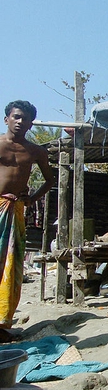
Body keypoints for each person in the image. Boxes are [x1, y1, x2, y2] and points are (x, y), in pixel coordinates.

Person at [0, 100, 55, 343]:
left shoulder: (35, 151)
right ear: (7, 119)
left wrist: (32, 199)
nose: (21, 122)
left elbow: (49, 179)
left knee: (11, 267)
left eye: (26, 119)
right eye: (17, 117)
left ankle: (2, 323)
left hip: (16, 212)